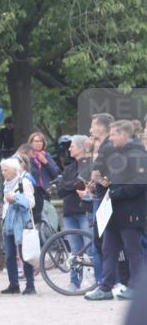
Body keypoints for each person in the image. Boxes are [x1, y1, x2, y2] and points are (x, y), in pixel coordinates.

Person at [85, 120, 147, 301]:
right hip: (112, 210)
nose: (110, 138)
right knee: (108, 249)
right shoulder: (114, 153)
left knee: (132, 251)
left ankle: (136, 289)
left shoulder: (138, 154)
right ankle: (105, 287)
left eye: (113, 134)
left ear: (124, 135)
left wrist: (115, 192)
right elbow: (111, 178)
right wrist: (100, 185)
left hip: (131, 211)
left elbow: (139, 183)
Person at [58, 134, 100, 291]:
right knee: (75, 251)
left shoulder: (90, 165)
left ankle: (97, 280)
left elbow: (81, 184)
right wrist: (74, 185)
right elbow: (62, 189)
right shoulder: (69, 167)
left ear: (82, 147)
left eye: (72, 145)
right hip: (69, 213)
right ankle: (74, 282)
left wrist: (74, 184)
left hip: (84, 211)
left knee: (90, 248)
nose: (69, 148)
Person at [0, 157, 37, 295]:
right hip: (8, 221)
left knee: (24, 253)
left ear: (14, 170)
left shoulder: (24, 182)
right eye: (2, 170)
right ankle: (13, 284)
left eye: (6, 170)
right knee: (9, 255)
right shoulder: (6, 184)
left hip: (21, 222)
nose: (3, 172)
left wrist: (15, 199)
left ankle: (30, 285)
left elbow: (31, 203)